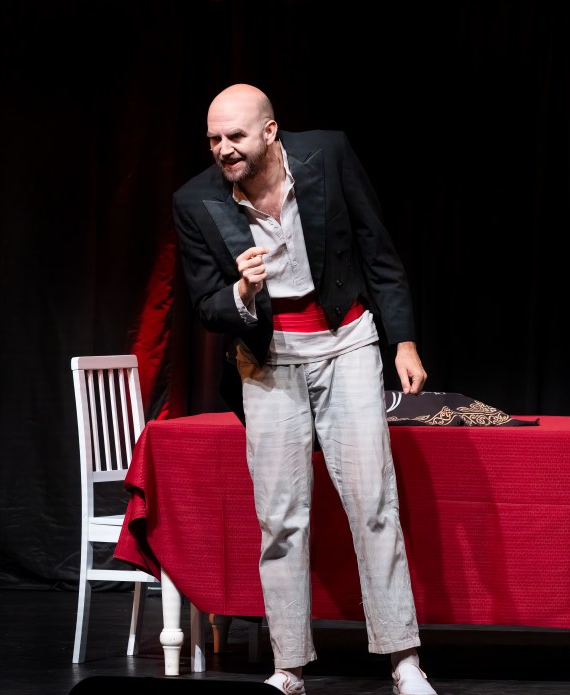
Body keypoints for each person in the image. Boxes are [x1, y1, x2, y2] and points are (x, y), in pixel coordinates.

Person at [172, 83, 436, 695]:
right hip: (267, 360)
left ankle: (404, 660)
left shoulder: (328, 155)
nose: (223, 149)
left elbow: (377, 250)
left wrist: (403, 341)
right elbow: (206, 305)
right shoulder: (195, 200)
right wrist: (241, 291)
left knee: (373, 503)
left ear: (270, 132)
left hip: (347, 342)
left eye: (235, 136)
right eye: (213, 139)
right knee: (280, 517)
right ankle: (288, 666)